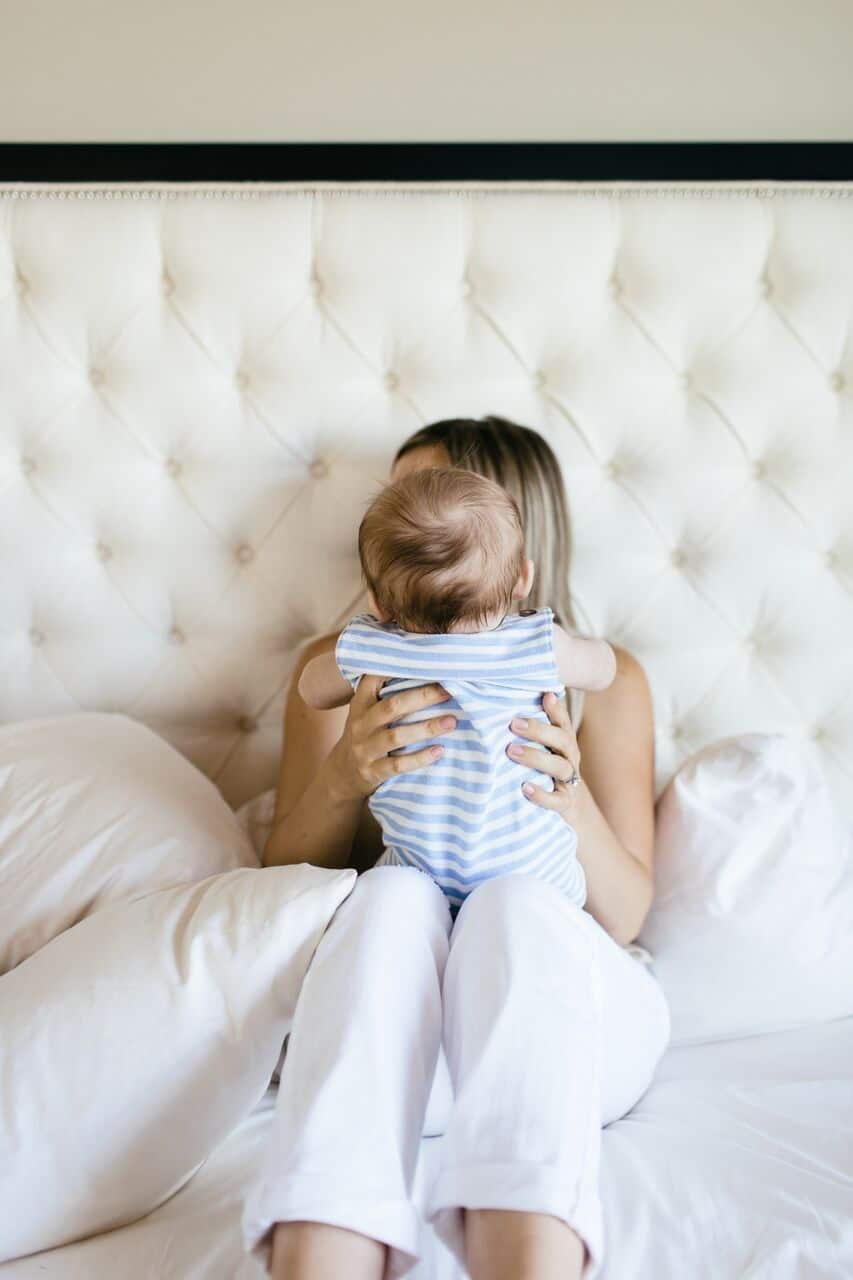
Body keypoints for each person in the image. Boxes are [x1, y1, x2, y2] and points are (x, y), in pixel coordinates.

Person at [242, 416, 671, 1280]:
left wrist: (568, 794)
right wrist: (343, 778)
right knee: (389, 898)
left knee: (516, 906)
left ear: (517, 546)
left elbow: (624, 914)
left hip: (564, 1015)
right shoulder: (344, 666)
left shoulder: (596, 675)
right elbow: (281, 874)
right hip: (398, 1023)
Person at [299, 466, 617, 912]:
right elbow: (603, 670)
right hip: (533, 873)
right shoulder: (539, 645)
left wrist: (355, 650)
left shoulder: (375, 648)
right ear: (523, 579)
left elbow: (312, 690)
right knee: (523, 917)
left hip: (417, 870)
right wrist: (584, 651)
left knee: (388, 899)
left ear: (377, 602)